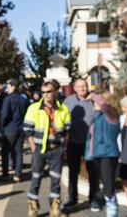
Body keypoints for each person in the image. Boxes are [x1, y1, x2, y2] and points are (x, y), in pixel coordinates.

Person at [24, 81, 71, 217]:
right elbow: (27, 130)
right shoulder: (34, 108)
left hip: (56, 150)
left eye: (49, 92)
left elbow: (67, 130)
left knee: (56, 180)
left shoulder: (63, 109)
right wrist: (33, 147)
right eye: (43, 92)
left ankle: (55, 209)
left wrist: (64, 147)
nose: (46, 95)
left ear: (55, 92)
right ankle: (32, 208)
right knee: (36, 178)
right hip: (39, 149)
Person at [63, 78, 102, 212]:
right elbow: (62, 118)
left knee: (93, 172)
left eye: (84, 86)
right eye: (79, 86)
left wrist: (95, 98)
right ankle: (72, 199)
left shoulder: (94, 98)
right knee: (73, 172)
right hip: (73, 142)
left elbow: (106, 110)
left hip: (91, 142)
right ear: (74, 88)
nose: (82, 89)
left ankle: (94, 199)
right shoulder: (68, 101)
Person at [85, 92, 120, 217]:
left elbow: (104, 106)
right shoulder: (98, 117)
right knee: (105, 182)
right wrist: (89, 154)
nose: (94, 104)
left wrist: (94, 96)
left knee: (108, 182)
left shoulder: (111, 114)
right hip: (97, 154)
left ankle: (112, 208)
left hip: (108, 154)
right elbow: (91, 137)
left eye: (95, 102)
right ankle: (108, 203)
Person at [0, 79, 29, 183]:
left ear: (13, 87)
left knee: (5, 152)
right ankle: (17, 175)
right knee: (19, 152)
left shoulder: (8, 99)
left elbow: (4, 115)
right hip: (20, 128)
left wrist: (2, 126)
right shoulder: (23, 99)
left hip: (10, 128)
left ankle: (5, 174)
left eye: (8, 86)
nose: (7, 89)